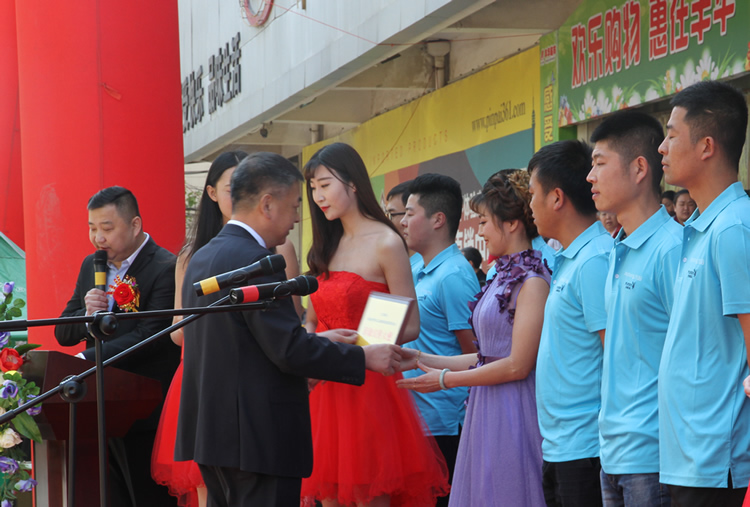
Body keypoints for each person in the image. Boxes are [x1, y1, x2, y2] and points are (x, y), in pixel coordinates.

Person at [174, 152, 402, 507]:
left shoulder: (203, 256)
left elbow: (247, 341)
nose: (297, 218)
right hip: (258, 438)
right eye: (295, 205)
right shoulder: (256, 261)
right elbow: (287, 349)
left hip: (213, 435)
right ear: (267, 204)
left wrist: (315, 340)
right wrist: (362, 357)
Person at [301, 142, 449, 507]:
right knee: (328, 496)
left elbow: (410, 324)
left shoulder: (386, 242)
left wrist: (358, 344)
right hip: (324, 388)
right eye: (313, 188)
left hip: (369, 387)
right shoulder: (324, 246)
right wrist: (308, 354)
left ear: (352, 183)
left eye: (325, 185)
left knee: (371, 495)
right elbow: (311, 321)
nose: (318, 196)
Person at [398, 169, 550, 506]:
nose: (479, 231)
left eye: (484, 222)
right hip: (486, 403)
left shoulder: (533, 281)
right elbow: (487, 354)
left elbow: (517, 365)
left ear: (512, 224)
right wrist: (421, 359)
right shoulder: (500, 275)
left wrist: (445, 379)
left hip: (513, 406)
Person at [55, 186, 181, 507]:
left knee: (147, 498)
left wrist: (85, 360)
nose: (98, 238)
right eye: (92, 228)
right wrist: (87, 315)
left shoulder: (165, 267)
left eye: (107, 228)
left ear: (135, 225)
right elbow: (62, 332)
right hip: (99, 406)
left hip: (144, 409)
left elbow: (150, 335)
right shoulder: (91, 264)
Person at [657, 81, 750, 505]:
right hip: (688, 455)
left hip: (718, 460)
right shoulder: (701, 227)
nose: (662, 148)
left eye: (672, 135)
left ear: (706, 146)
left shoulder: (734, 227)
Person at [586, 110, 681, 506]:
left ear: (640, 168)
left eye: (599, 163)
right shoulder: (617, 248)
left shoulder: (672, 249)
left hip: (653, 455)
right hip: (612, 451)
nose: (590, 177)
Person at [152, 150, 247, 507]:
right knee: (207, 488)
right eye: (232, 188)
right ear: (211, 193)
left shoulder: (275, 247)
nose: (241, 196)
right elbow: (177, 332)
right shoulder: (192, 255)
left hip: (250, 380)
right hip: (201, 377)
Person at [528, 140, 612, 507]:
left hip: (586, 446)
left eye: (533, 194)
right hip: (560, 444)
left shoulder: (594, 260)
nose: (530, 206)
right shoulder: (569, 258)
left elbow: (615, 354)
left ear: (557, 198)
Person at [399, 173, 479, 506]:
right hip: (412, 417)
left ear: (438, 220)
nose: (402, 222)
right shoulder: (414, 267)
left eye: (409, 213)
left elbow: (476, 353)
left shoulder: (454, 275)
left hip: (443, 424)